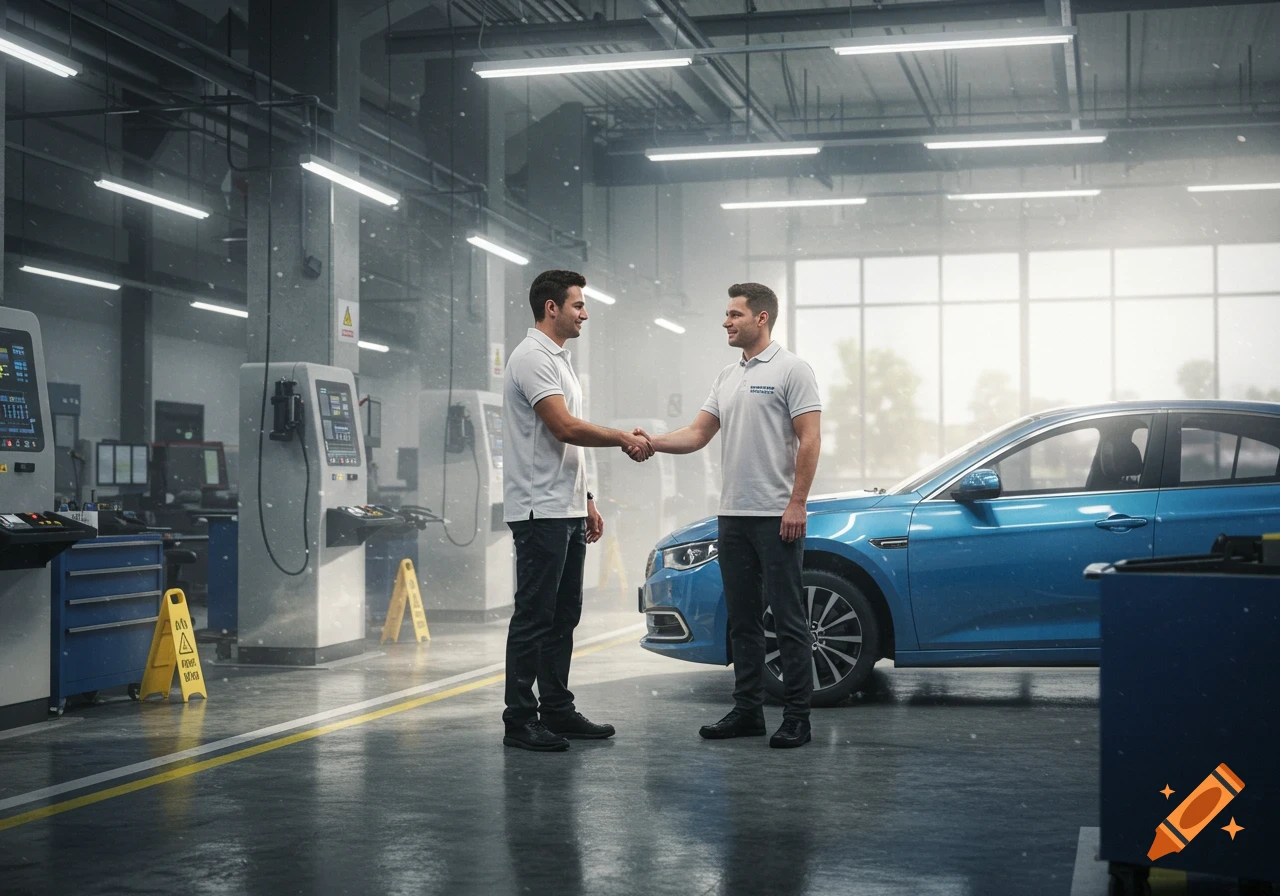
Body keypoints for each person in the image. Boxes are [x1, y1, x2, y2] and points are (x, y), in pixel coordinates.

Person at [641, 282, 822, 748]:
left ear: (761, 318)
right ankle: (747, 712)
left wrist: (797, 502)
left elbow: (810, 438)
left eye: (734, 314)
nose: (726, 322)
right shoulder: (727, 376)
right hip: (733, 517)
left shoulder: (792, 370)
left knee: (788, 619)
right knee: (742, 620)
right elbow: (699, 433)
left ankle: (797, 718)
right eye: (726, 314)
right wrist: (650, 442)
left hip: (776, 515)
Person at [501, 269, 654, 752]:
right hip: (538, 510)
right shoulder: (531, 359)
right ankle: (519, 720)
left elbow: (567, 447)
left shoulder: (560, 360)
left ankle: (557, 710)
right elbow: (564, 428)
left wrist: (585, 499)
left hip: (563, 506)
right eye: (577, 305)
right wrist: (622, 437)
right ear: (551, 308)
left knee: (564, 614)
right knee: (534, 617)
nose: (584, 313)